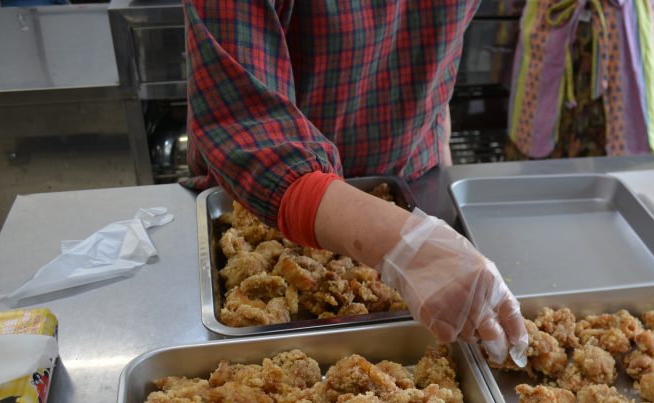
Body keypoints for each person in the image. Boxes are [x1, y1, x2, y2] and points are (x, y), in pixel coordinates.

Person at [181, 1, 528, 365]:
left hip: (408, 172)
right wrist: (408, 246)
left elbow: (440, 39)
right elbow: (248, 120)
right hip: (264, 192)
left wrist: (436, 142)